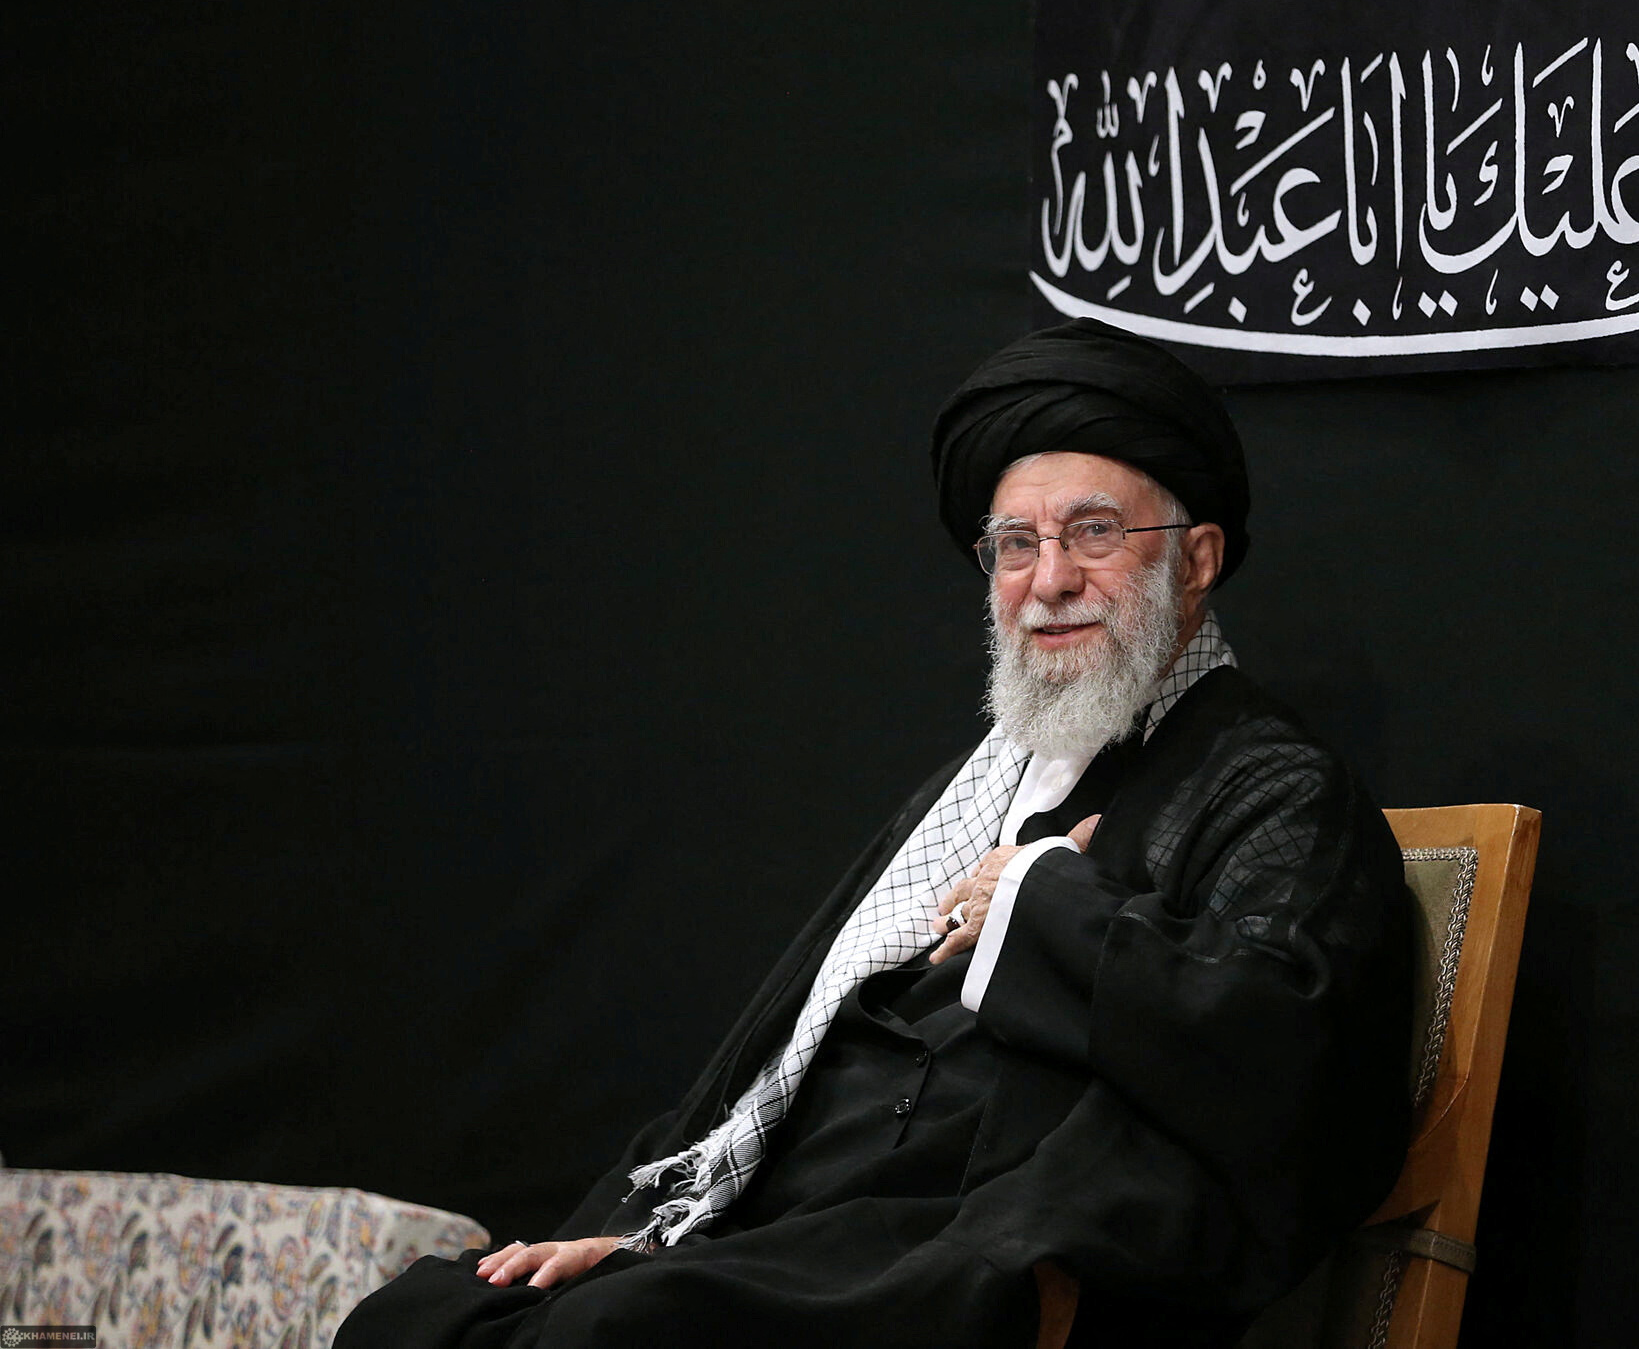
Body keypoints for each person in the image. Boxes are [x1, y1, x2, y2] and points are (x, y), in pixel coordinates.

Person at [335, 319, 1413, 1349]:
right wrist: (640, 1233)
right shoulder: (978, 786)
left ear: (1199, 558)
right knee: (421, 1319)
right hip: (792, 1233)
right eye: (1015, 545)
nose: (1049, 581)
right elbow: (781, 1056)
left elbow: (1287, 1059)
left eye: (1094, 533)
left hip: (948, 1255)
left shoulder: (1276, 788)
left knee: (605, 1333)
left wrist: (1039, 901)